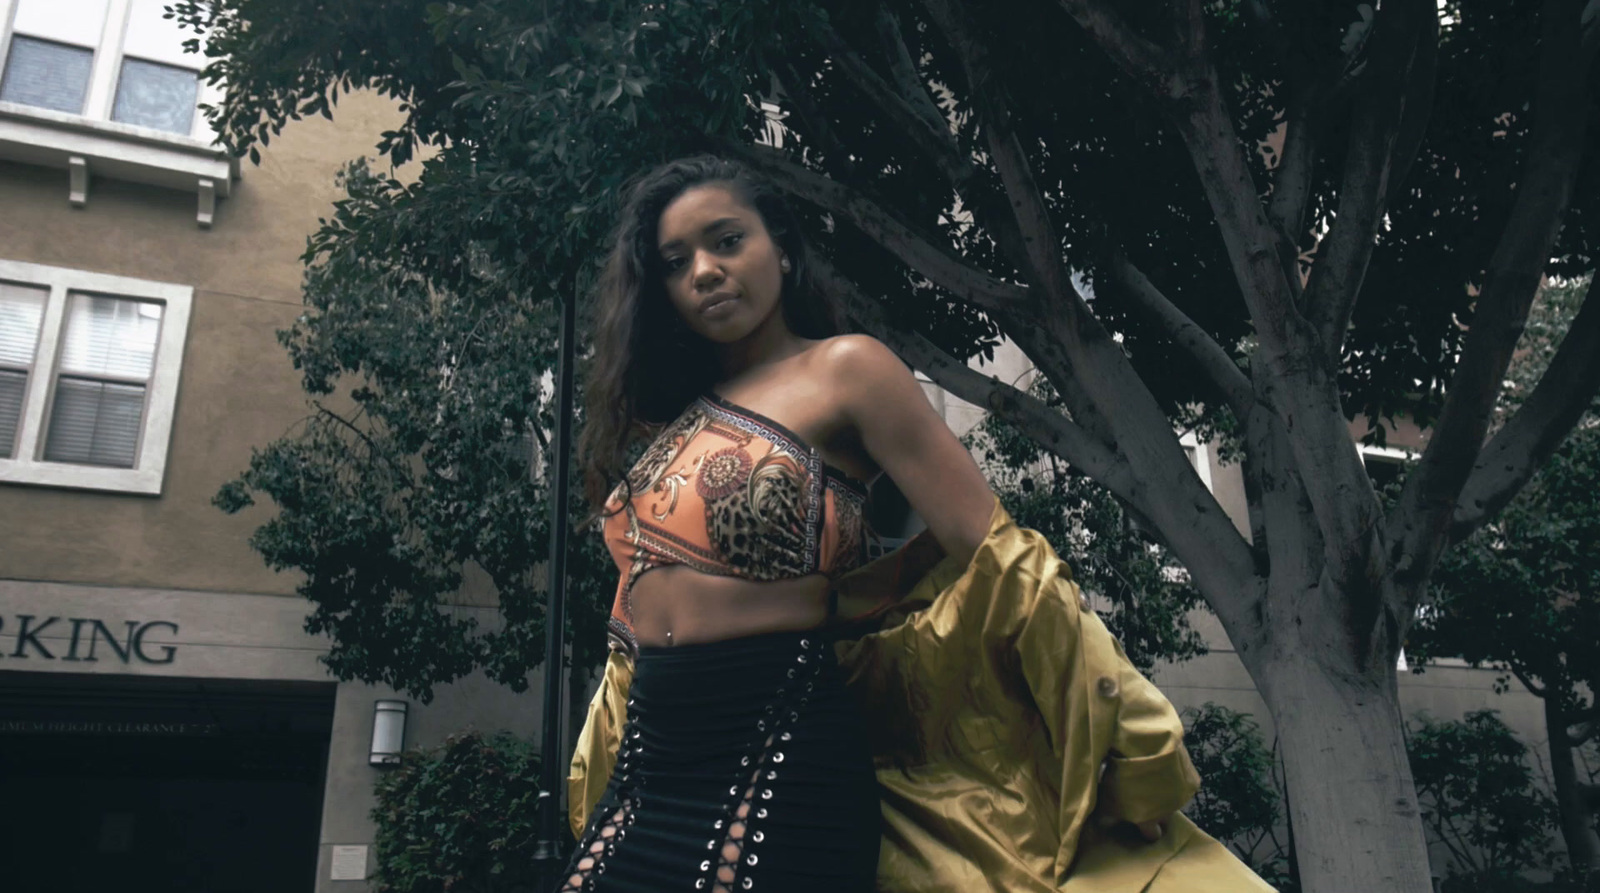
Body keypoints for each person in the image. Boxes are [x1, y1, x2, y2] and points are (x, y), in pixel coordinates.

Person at [560, 156, 1261, 893]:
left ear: (784, 249)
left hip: (772, 744)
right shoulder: (678, 413)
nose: (704, 270)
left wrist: (1122, 727)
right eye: (676, 262)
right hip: (655, 754)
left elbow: (996, 550)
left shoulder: (847, 370)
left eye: (727, 240)